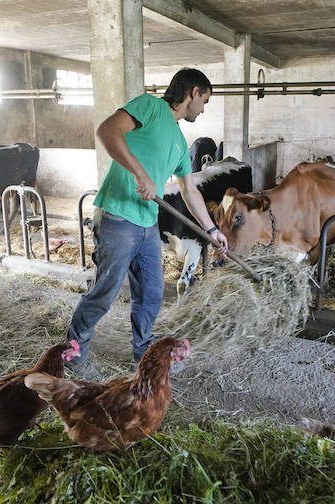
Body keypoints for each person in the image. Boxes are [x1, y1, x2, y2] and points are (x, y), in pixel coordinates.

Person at [66, 68, 228, 380]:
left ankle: (143, 353)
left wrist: (211, 230)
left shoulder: (181, 143)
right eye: (205, 101)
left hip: (146, 224)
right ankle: (74, 353)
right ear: (193, 92)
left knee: (152, 292)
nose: (204, 109)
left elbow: (189, 190)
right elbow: (106, 131)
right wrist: (140, 174)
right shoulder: (150, 107)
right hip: (116, 216)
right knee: (104, 292)